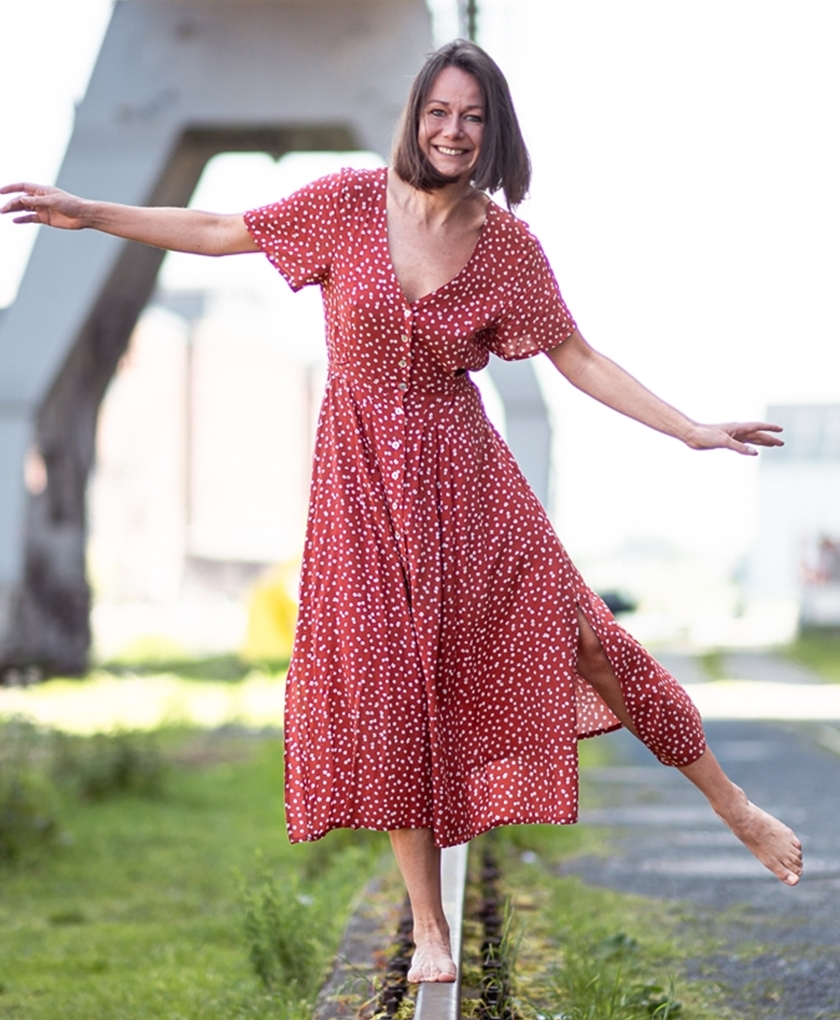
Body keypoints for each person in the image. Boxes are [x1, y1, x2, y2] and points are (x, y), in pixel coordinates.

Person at [1, 38, 802, 985]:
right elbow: (220, 228)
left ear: (494, 133)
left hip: (469, 482)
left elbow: (578, 358)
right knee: (388, 691)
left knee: (587, 639)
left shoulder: (507, 249)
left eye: (473, 117)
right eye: (439, 112)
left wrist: (690, 429)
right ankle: (429, 927)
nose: (453, 131)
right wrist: (91, 212)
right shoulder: (346, 205)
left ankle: (732, 806)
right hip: (362, 490)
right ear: (416, 117)